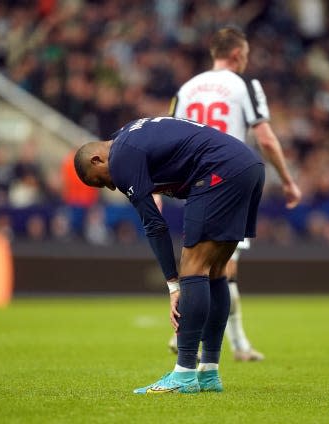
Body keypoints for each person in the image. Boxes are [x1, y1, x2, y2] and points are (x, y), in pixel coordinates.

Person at [74, 116, 265, 394]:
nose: (112, 188)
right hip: (249, 165)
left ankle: (184, 375)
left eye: (101, 182)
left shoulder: (123, 157)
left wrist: (174, 285)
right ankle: (209, 372)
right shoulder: (128, 134)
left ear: (96, 160)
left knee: (193, 267)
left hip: (218, 170)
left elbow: (154, 224)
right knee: (216, 269)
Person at [165, 26, 302, 361]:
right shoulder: (245, 85)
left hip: (196, 185)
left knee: (200, 267)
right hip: (230, 182)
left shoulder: (187, 89)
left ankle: (207, 339)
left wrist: (159, 184)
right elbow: (266, 138)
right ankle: (218, 343)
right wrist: (287, 179)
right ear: (239, 54)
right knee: (222, 271)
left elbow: (169, 137)